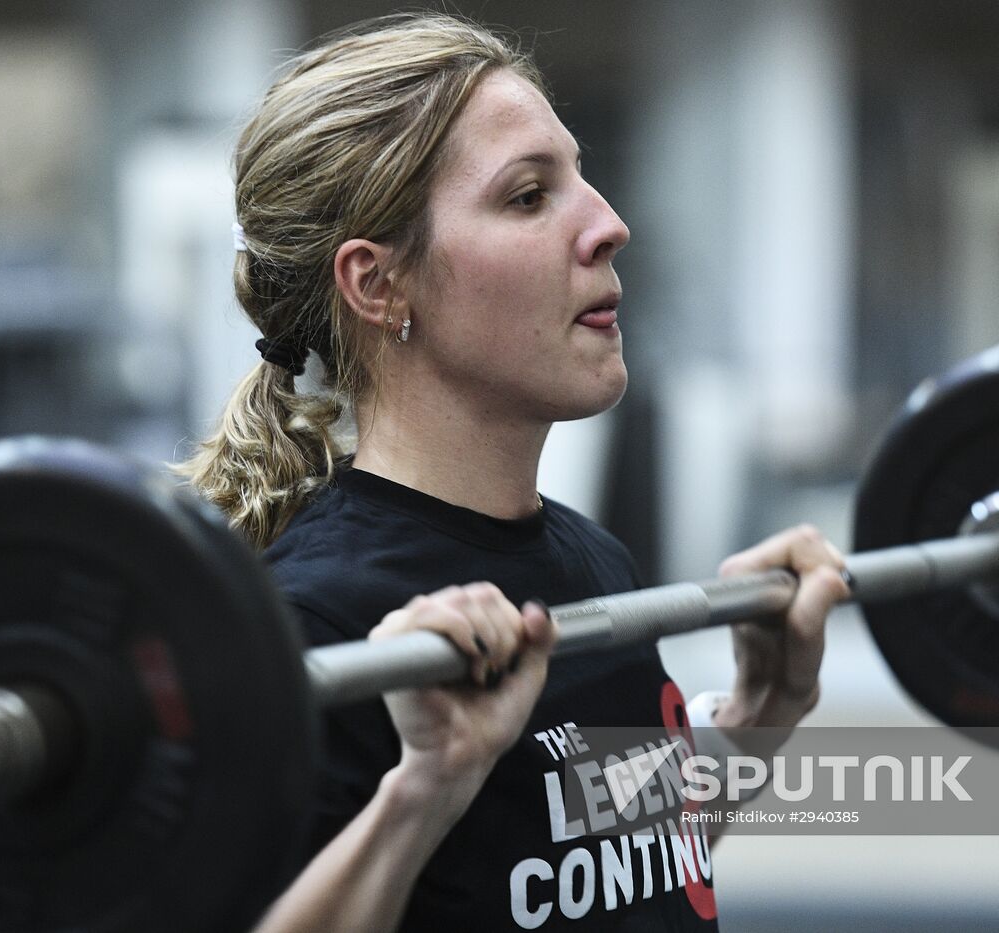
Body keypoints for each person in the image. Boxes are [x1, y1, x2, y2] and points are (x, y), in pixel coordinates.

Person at [178, 13, 849, 932]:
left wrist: (760, 716)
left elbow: (602, 869)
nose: (609, 225)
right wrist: (424, 791)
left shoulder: (591, 564)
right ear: (379, 285)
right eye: (530, 197)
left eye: (580, 179)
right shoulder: (316, 624)